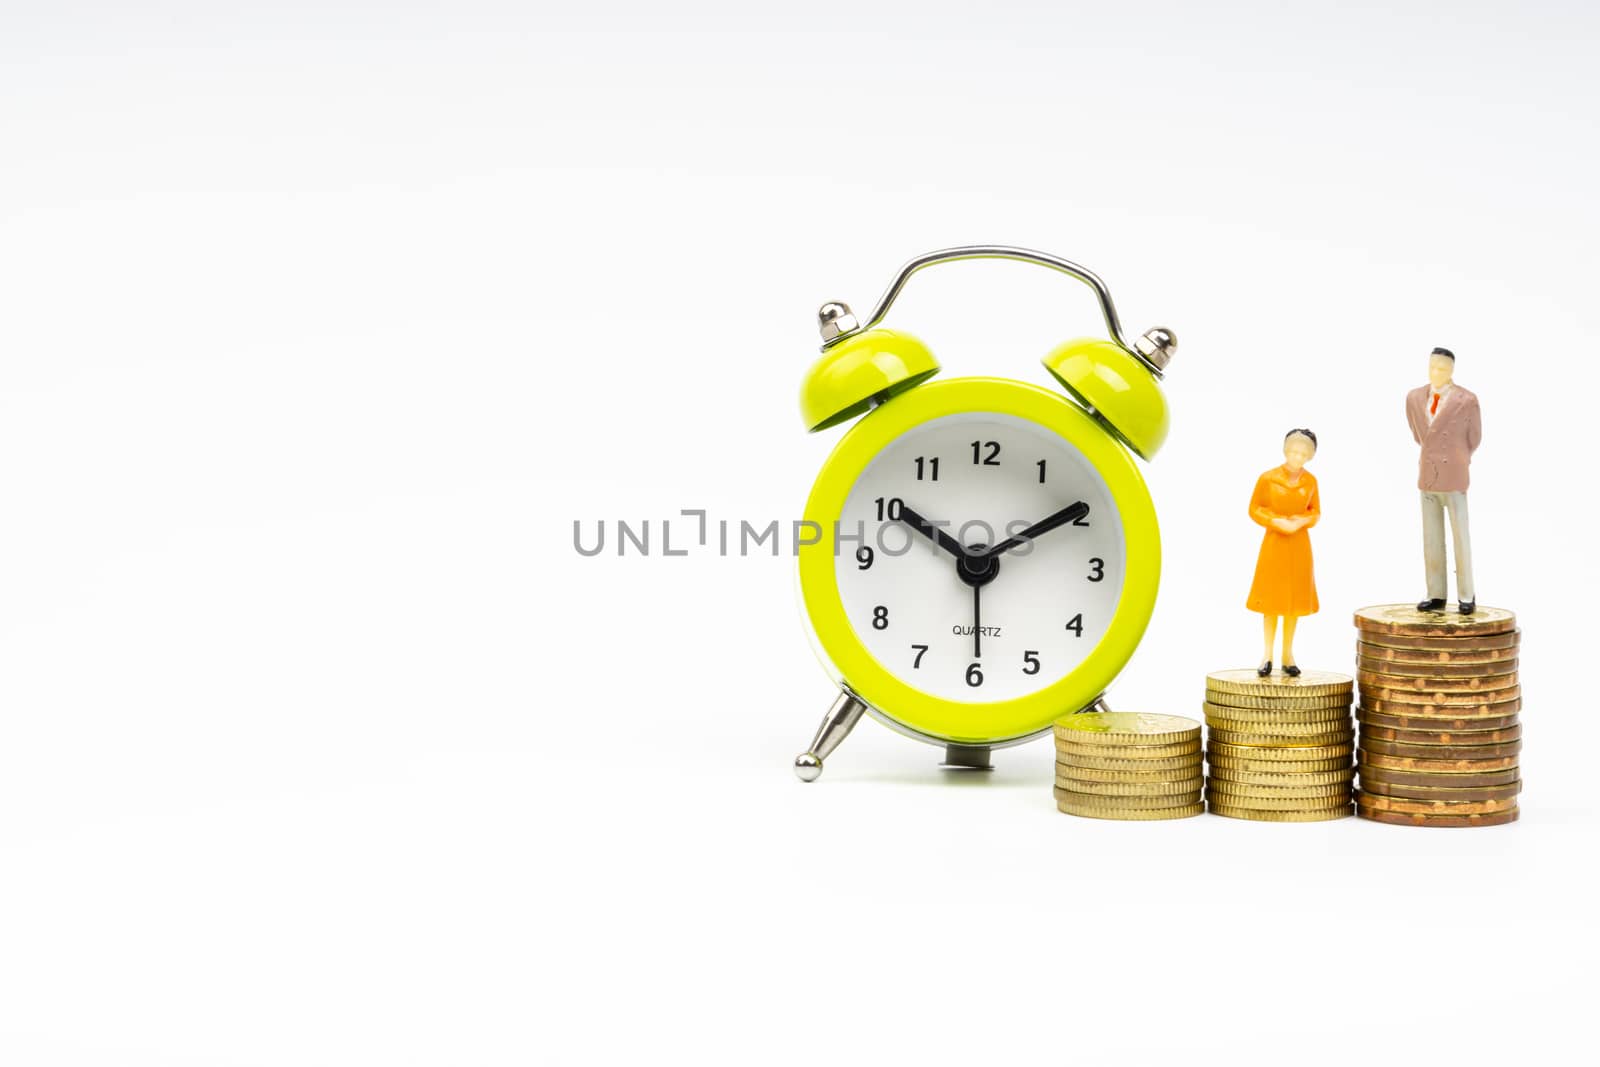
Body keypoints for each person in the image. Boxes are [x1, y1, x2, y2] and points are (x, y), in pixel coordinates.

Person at [1405, 347, 1481, 614]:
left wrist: (1458, 457)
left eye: (1442, 368)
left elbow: (1474, 438)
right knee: (1431, 537)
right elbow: (1418, 434)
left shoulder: (1466, 399)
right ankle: (1435, 593)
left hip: (1455, 473)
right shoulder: (1414, 397)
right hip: (1427, 472)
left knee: (1461, 536)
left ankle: (1466, 595)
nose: (1436, 372)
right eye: (1433, 367)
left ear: (1452, 371)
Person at [1247, 429, 1321, 676]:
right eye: (1294, 451)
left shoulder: (1310, 481)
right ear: (1285, 450)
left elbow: (1315, 512)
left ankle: (1287, 655)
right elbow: (1254, 508)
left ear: (1309, 456)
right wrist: (1276, 521)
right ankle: (1266, 654)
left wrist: (1300, 521)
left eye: (1303, 453)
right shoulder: (1268, 478)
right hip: (1275, 543)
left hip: (1299, 546)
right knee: (1271, 600)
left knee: (1293, 603)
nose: (1297, 457)